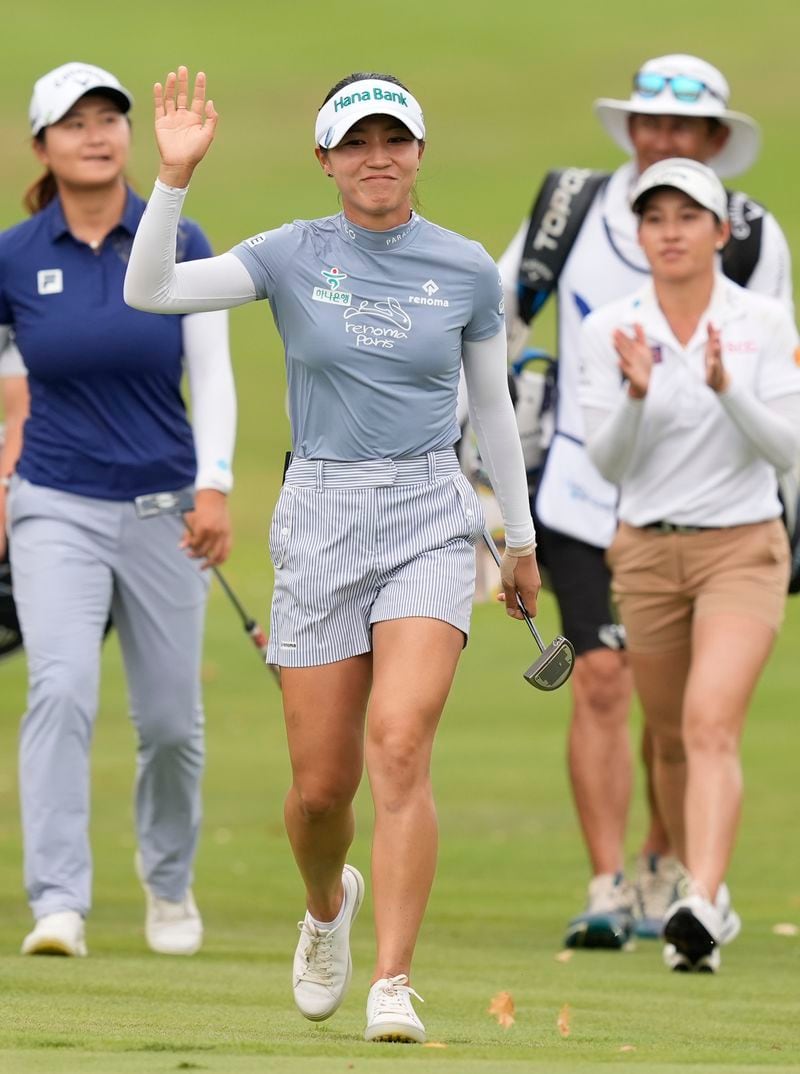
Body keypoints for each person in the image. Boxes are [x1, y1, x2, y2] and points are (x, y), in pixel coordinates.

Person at [124, 66, 539, 1044]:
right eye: (355, 143)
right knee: (319, 792)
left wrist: (517, 539)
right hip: (318, 514)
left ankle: (391, 982)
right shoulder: (288, 253)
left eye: (393, 140)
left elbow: (491, 411)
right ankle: (326, 907)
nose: (376, 158)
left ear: (418, 153)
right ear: (325, 160)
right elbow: (151, 291)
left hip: (430, 514)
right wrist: (174, 177)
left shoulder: (464, 267)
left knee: (399, 743)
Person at [497, 54, 794, 948]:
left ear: (713, 143)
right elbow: (503, 317)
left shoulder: (754, 241)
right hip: (590, 495)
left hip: (724, 511)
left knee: (684, 721)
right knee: (601, 683)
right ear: (629, 130)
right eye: (650, 123)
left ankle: (677, 868)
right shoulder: (573, 210)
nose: (662, 137)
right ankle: (609, 882)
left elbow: (774, 390)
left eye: (684, 128)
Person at [0, 62, 236, 958]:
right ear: (43, 147)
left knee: (171, 721)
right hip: (54, 501)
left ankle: (168, 886)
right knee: (59, 691)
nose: (96, 135)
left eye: (110, 119)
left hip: (167, 507)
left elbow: (210, 375)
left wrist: (214, 483)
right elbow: (7, 370)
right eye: (74, 124)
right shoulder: (14, 257)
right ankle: (58, 900)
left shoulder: (183, 234)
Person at [579, 157, 800, 972]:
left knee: (710, 722)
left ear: (719, 231)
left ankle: (701, 898)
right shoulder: (611, 329)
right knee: (669, 736)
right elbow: (608, 464)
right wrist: (637, 394)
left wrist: (728, 388)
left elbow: (785, 446)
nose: (670, 232)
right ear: (640, 233)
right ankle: (699, 897)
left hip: (742, 546)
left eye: (686, 217)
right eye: (654, 218)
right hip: (644, 550)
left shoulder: (764, 321)